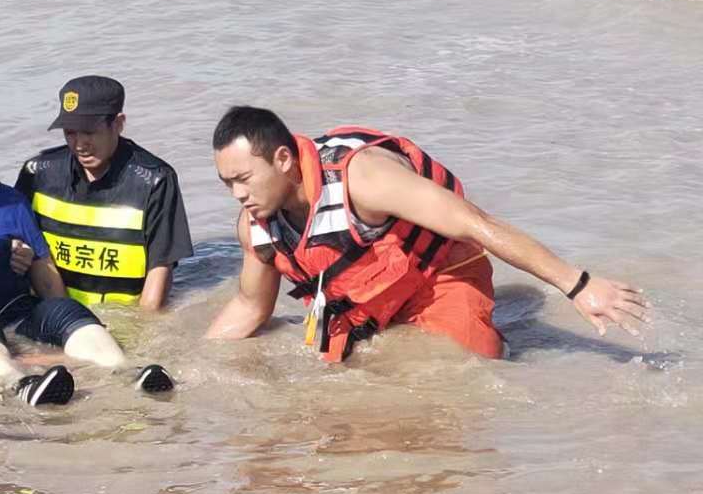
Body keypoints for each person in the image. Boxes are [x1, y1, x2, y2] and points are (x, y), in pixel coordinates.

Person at [204, 106, 648, 360]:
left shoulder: (365, 180)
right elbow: (249, 306)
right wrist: (194, 366)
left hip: (437, 279)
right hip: (363, 305)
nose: (237, 194)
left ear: (283, 160)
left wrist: (578, 285)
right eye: (227, 184)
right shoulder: (256, 226)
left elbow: (479, 224)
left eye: (244, 179)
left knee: (471, 369)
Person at [0, 101, 174, 404]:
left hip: (19, 312)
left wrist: (60, 311)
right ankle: (21, 385)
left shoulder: (10, 203)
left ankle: (128, 372)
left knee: (69, 313)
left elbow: (45, 275)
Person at [15, 75, 193, 310]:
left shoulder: (155, 181)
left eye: (89, 132)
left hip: (123, 315)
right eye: (70, 132)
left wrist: (144, 327)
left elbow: (160, 271)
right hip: (55, 312)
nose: (79, 144)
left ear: (118, 123)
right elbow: (20, 243)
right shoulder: (37, 173)